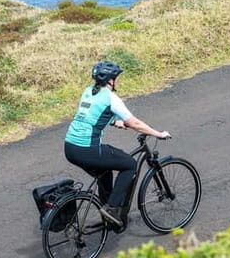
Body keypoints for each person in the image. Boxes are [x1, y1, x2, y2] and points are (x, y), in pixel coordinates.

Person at [64, 60, 171, 227]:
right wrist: (158, 133)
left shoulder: (88, 91)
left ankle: (108, 219)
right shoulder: (110, 98)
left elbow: (90, 116)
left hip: (70, 148)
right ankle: (112, 209)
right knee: (130, 165)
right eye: (116, 78)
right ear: (110, 80)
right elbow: (134, 123)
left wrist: (114, 122)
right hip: (87, 149)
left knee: (105, 173)